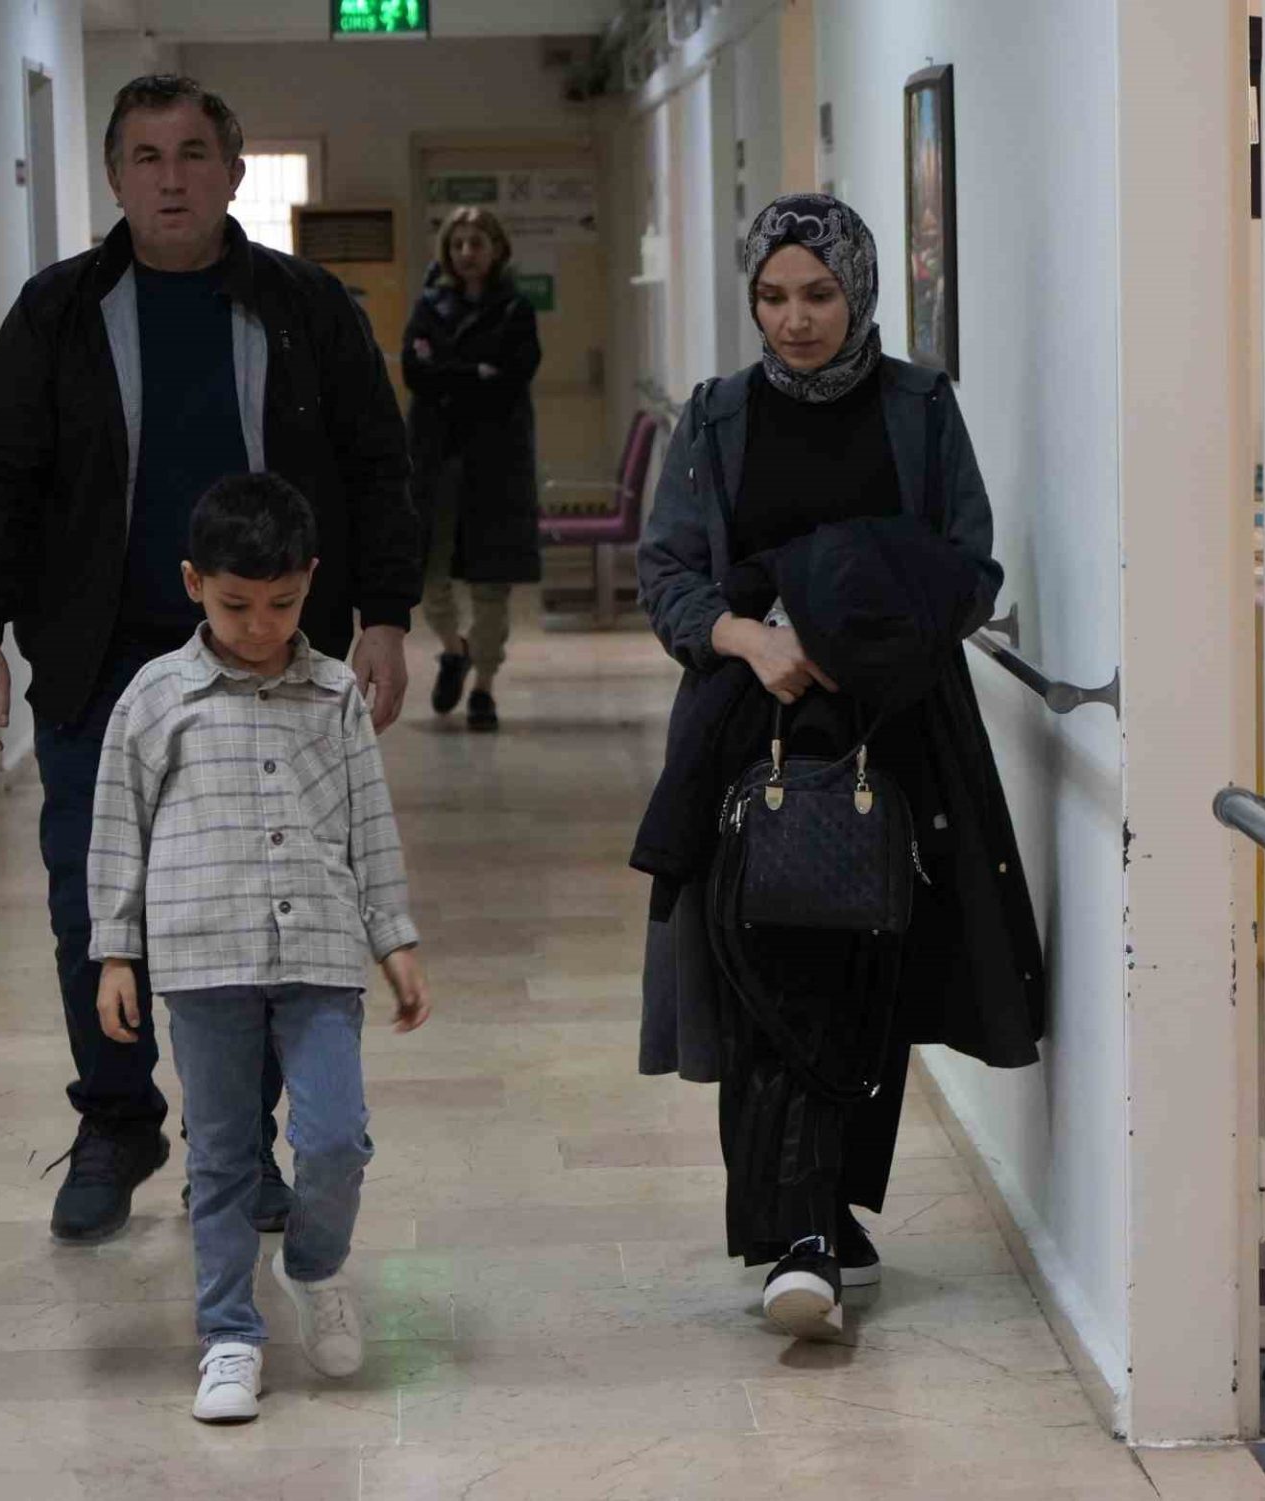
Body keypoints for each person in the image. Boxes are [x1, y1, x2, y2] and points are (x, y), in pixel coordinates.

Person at [0, 75, 420, 1245]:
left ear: (233, 173)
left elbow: (378, 463)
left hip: (268, 661)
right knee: (88, 899)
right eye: (148, 157)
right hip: (98, 660)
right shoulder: (59, 313)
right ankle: (117, 1120)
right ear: (115, 176)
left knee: (256, 907)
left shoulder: (305, 306)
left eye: (195, 154)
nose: (172, 179)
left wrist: (385, 614)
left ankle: (235, 1147)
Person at [633, 194, 1044, 1338]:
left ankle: (833, 1210)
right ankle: (796, 1229)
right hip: (750, 729)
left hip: (895, 730)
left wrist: (853, 629)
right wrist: (751, 637)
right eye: (773, 296)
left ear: (858, 289)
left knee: (874, 966)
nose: (796, 319)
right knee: (768, 961)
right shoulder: (718, 417)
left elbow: (970, 567)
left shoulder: (919, 408)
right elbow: (667, 572)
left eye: (818, 294)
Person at [89, 472, 429, 1423]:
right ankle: (229, 1333)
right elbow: (117, 827)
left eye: (282, 603)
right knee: (223, 1156)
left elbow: (370, 822)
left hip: (319, 950)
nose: (259, 625)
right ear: (194, 583)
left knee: (335, 1138)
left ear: (311, 580)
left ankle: (314, 1268)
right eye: (236, 604)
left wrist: (394, 938)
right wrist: (115, 952)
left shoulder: (335, 694)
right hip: (203, 960)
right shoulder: (156, 697)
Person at [402, 206, 542, 733]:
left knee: (490, 584)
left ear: (496, 249)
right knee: (429, 575)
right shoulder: (429, 306)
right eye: (457, 243)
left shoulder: (516, 310)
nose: (466, 253)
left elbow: (512, 376)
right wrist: (475, 372)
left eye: (476, 243)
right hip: (436, 462)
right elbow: (416, 372)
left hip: (494, 465)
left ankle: (483, 685)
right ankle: (453, 649)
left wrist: (450, 373)